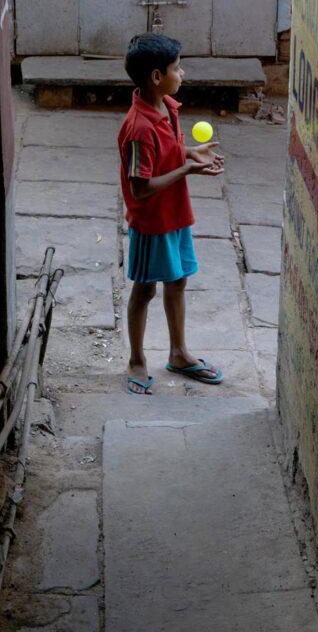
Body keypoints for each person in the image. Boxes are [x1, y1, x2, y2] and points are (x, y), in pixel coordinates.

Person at [118, 33, 225, 395]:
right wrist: (187, 171)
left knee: (177, 281)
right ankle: (136, 359)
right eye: (177, 68)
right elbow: (140, 187)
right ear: (155, 77)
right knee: (145, 290)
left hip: (176, 214)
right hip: (151, 223)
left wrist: (192, 152)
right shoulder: (138, 128)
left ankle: (179, 353)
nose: (183, 73)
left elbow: (170, 151)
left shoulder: (167, 107)